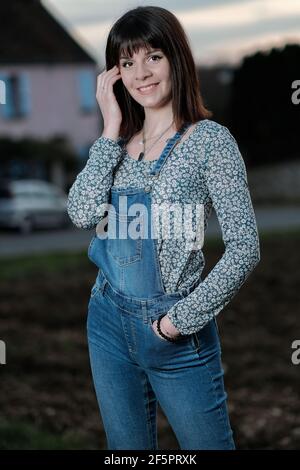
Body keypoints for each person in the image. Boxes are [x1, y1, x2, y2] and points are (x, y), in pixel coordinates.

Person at [67, 5, 260, 450]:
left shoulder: (211, 141)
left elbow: (245, 247)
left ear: (176, 57)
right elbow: (81, 213)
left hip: (173, 331)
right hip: (107, 323)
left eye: (152, 56)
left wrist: (177, 323)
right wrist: (110, 127)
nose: (141, 74)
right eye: (127, 63)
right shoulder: (116, 143)